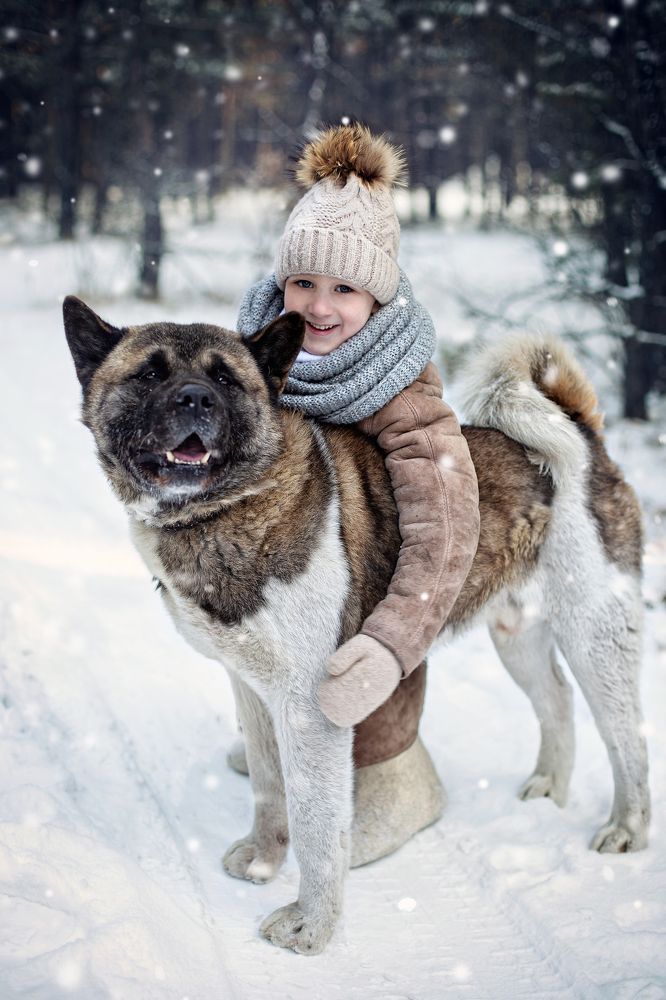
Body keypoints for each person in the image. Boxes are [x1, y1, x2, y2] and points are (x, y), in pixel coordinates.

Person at [237, 122, 480, 728]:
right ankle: (273, 732)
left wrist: (392, 644)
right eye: (303, 283)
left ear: (376, 299)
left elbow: (444, 527)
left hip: (367, 597)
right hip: (285, 592)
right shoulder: (254, 364)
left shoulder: (402, 393)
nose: (319, 307)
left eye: (344, 287)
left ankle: (393, 766)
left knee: (368, 747)